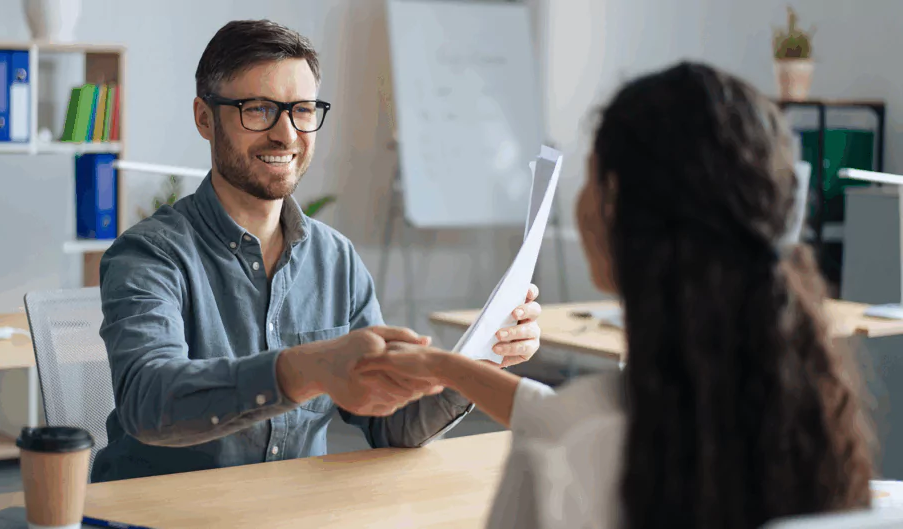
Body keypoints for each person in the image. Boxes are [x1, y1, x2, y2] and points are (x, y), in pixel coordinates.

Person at [354, 61, 876, 529]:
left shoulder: (568, 447)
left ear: (614, 207)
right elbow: (554, 411)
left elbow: (568, 425)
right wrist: (445, 366)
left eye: (589, 175)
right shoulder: (815, 414)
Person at [90, 19, 544, 483]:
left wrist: (481, 359)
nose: (286, 134)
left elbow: (391, 426)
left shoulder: (336, 260)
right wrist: (305, 370)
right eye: (259, 109)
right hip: (160, 514)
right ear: (205, 118)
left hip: (290, 512)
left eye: (302, 110)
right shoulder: (149, 255)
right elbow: (149, 402)